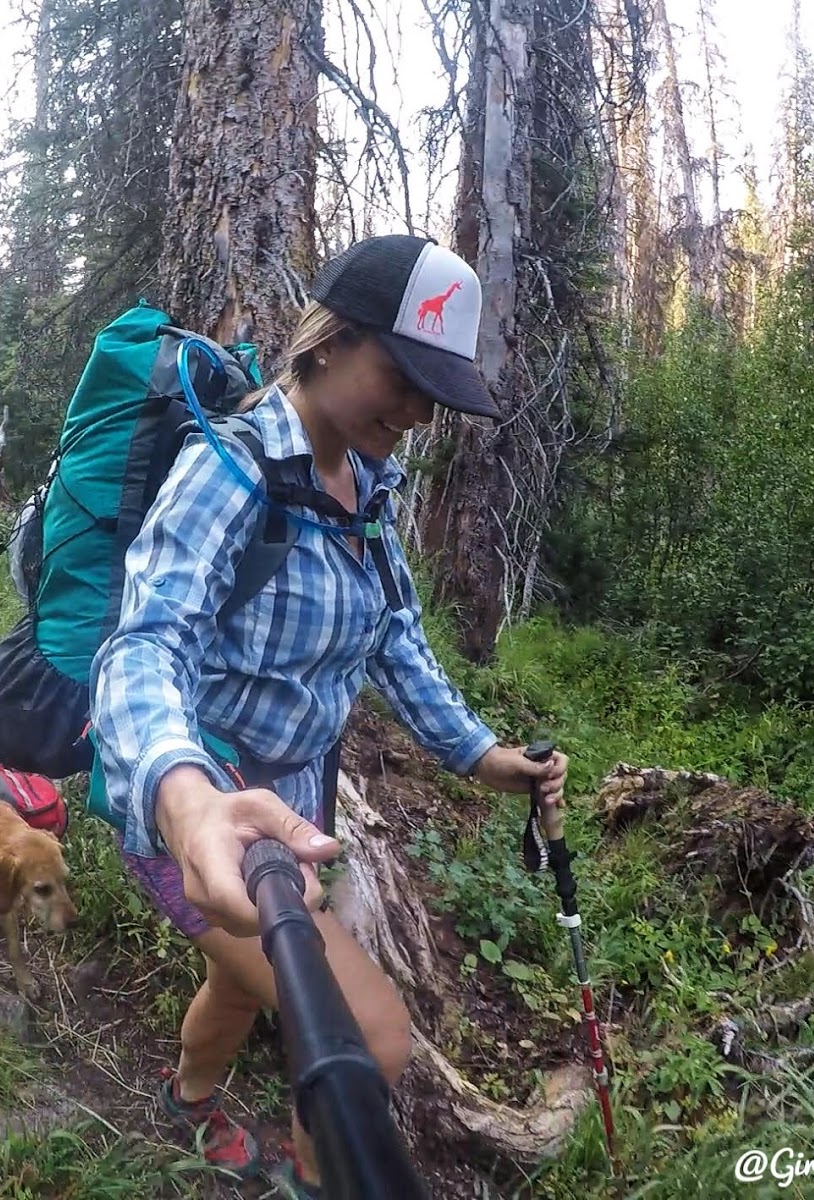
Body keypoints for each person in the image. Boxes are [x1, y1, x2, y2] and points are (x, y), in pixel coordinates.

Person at [88, 234, 570, 1197]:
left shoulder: (368, 494)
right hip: (201, 821)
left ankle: (187, 1099)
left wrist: (485, 757)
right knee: (367, 1038)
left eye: (436, 392)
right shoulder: (230, 471)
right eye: (403, 375)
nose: (419, 412)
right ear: (329, 341)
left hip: (295, 823)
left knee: (240, 976)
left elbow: (398, 643)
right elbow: (143, 643)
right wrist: (187, 802)